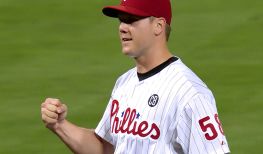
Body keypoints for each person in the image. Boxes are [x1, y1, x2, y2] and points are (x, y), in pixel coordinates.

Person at [41, 0, 230, 153]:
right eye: (121, 20)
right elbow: (106, 148)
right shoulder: (124, 83)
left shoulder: (189, 93)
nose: (122, 27)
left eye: (131, 19)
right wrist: (60, 125)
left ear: (158, 25)